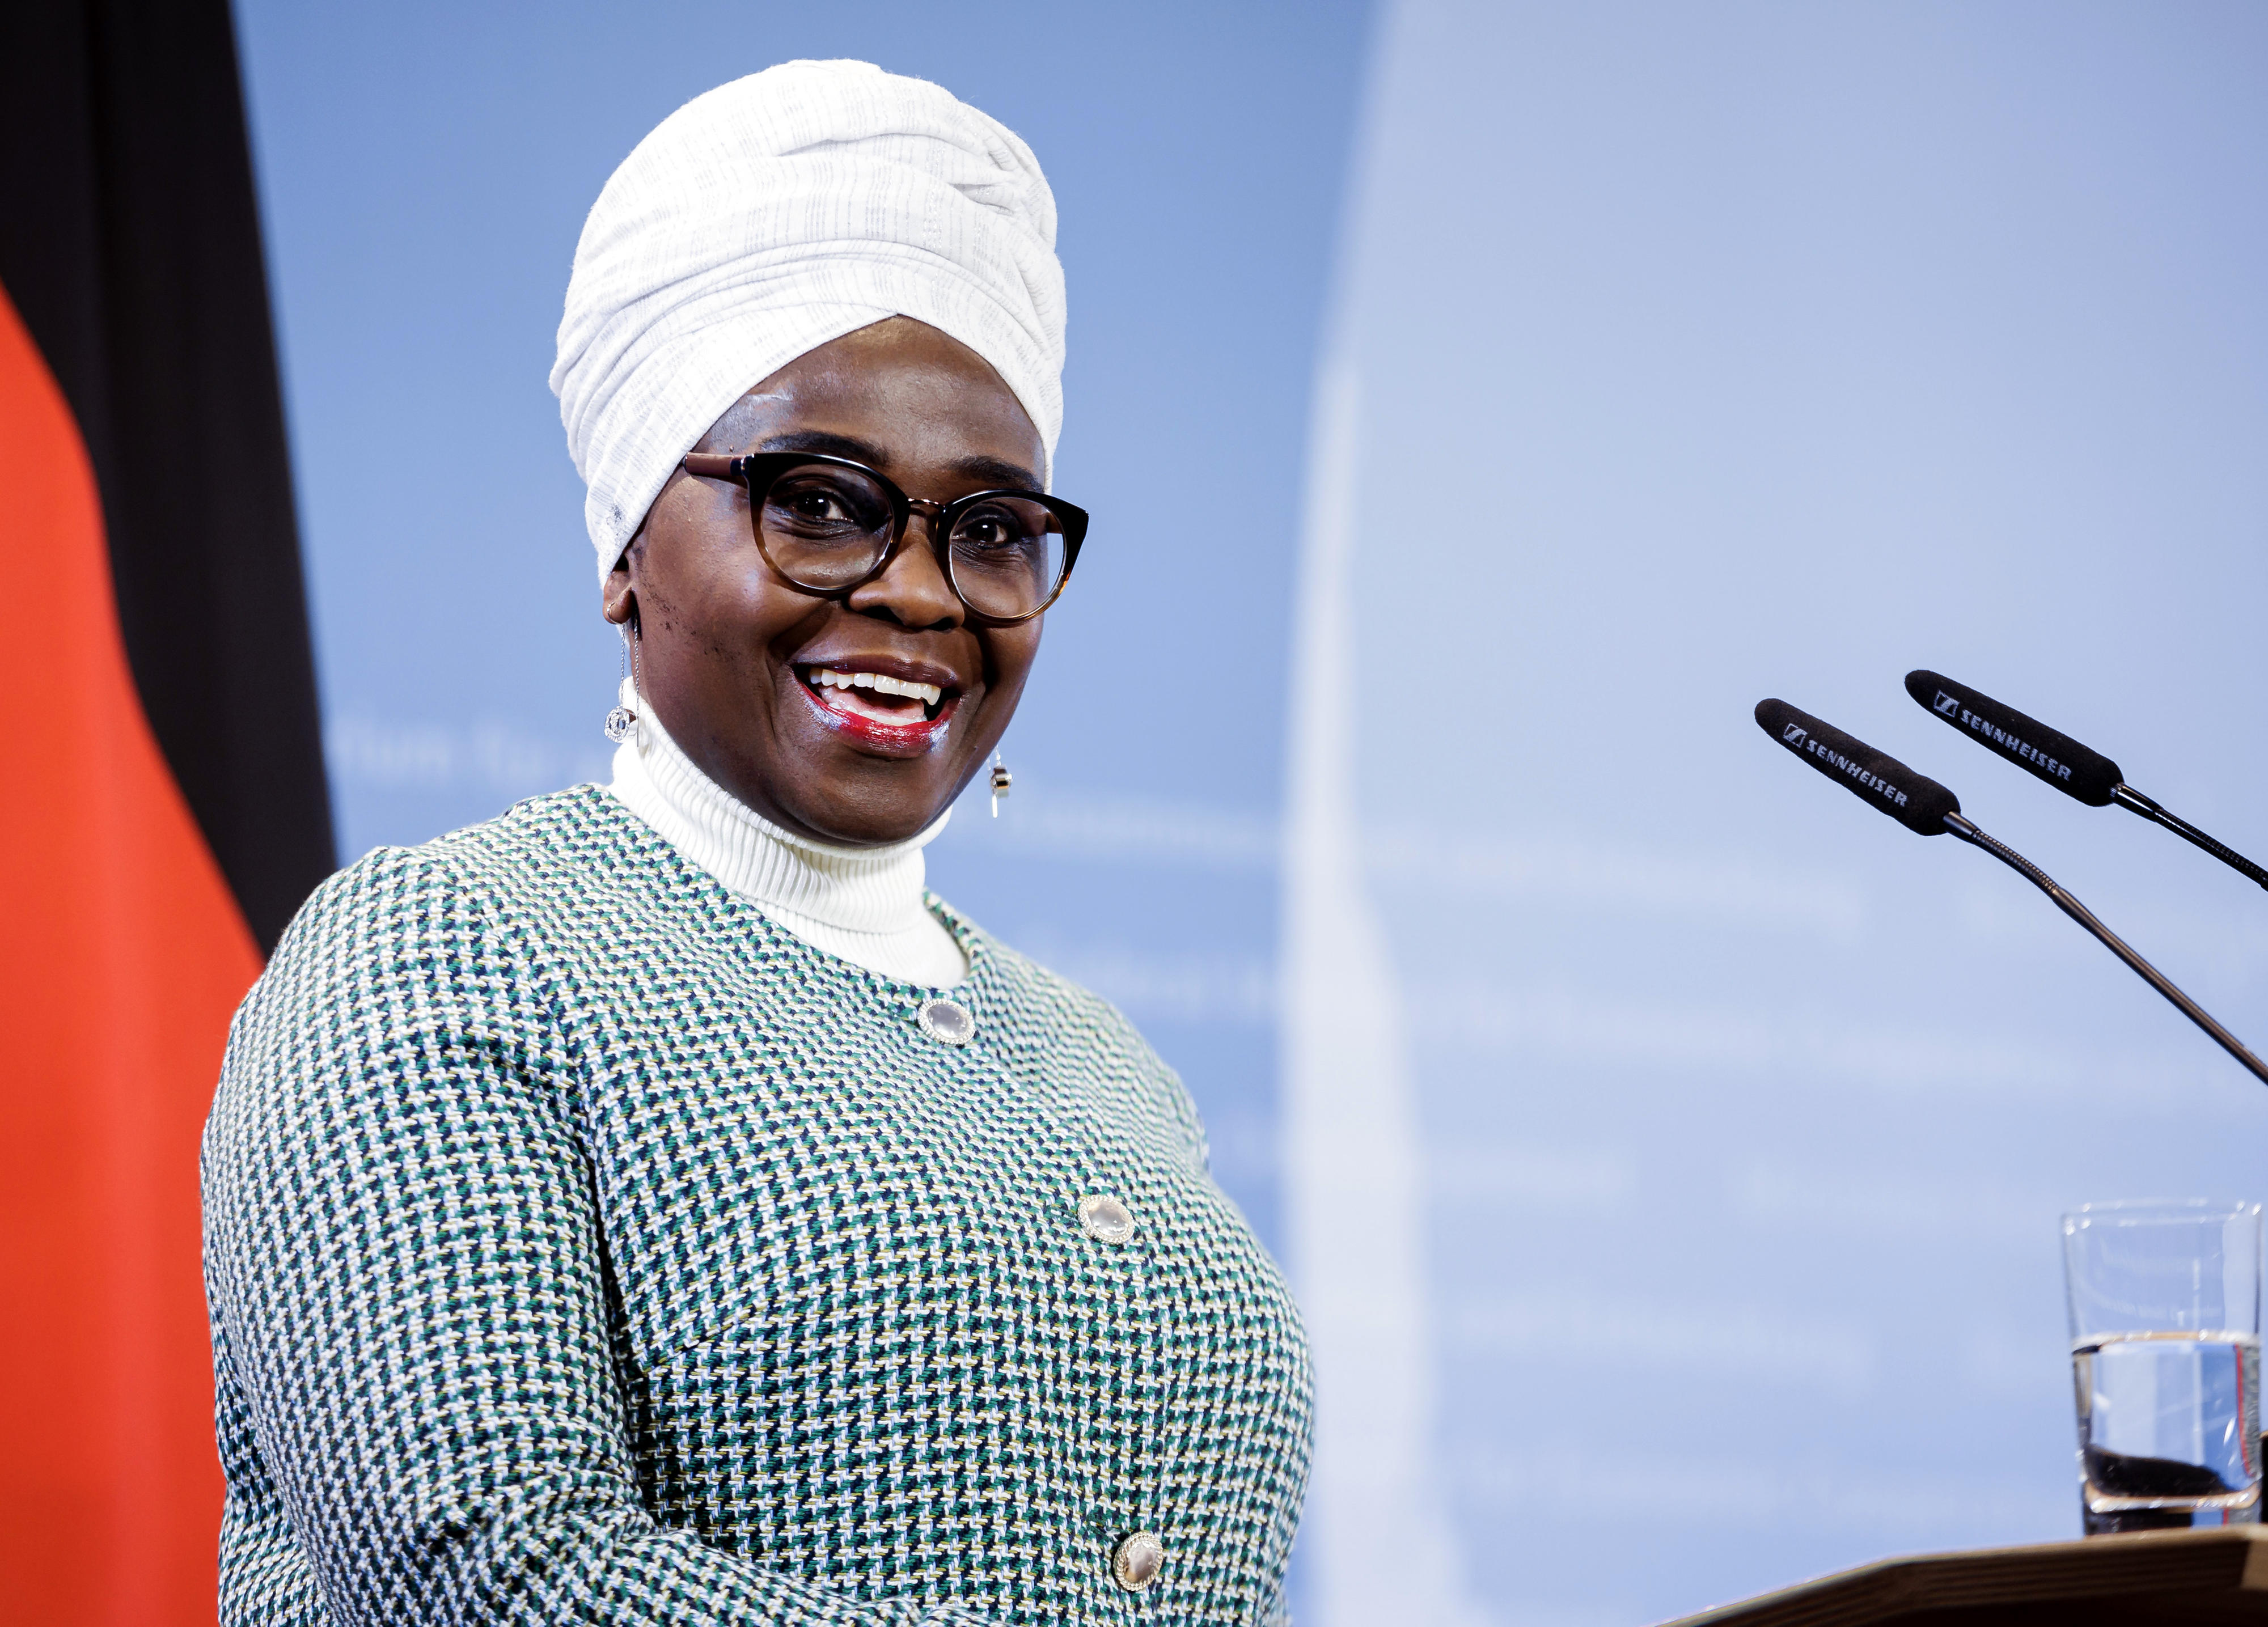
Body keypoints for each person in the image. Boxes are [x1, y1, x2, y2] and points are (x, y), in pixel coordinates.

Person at [201, 58, 1313, 1626]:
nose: (923, 593)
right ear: (627, 547)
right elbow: (492, 1574)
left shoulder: (1104, 1064)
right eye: (820, 501)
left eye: (992, 530)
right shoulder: (443, 953)